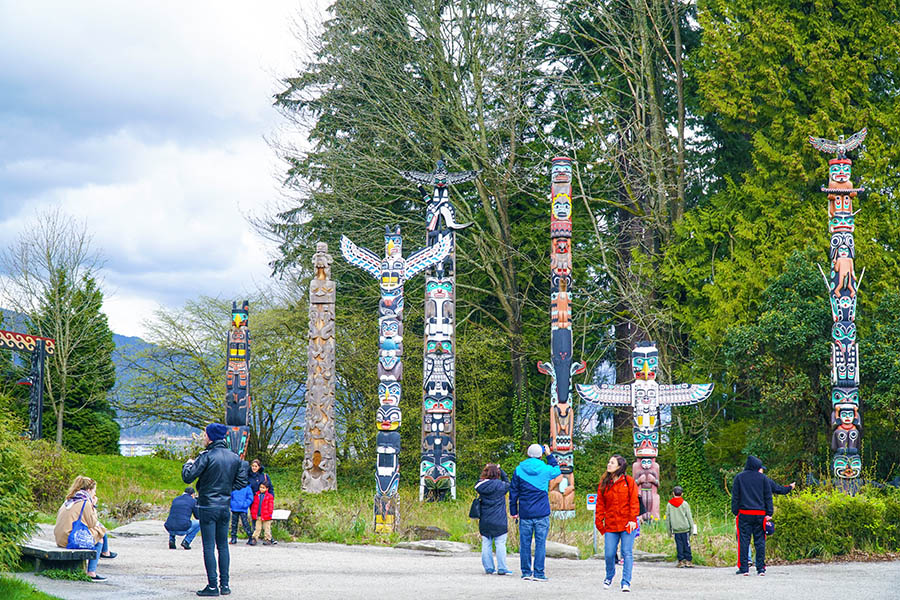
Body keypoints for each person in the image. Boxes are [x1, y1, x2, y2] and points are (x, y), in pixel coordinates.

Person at [183, 423, 248, 597]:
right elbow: (242, 482)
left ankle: (212, 586)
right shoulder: (234, 457)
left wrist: (187, 464)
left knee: (209, 547)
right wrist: (226, 488)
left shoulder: (206, 456)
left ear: (210, 437)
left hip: (207, 505)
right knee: (223, 546)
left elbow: (188, 477)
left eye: (205, 435)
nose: (204, 437)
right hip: (224, 505)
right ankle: (225, 585)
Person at [509, 443, 560, 582]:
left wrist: (514, 511)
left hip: (525, 512)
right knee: (540, 544)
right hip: (542, 512)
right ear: (540, 455)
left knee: (524, 543)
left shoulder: (519, 470)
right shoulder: (545, 469)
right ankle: (539, 573)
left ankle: (526, 572)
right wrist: (549, 455)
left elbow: (513, 492)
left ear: (528, 454)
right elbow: (557, 470)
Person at [54, 476, 114, 582]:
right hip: (70, 540)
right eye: (94, 491)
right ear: (88, 490)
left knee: (100, 529)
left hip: (60, 538)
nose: (94, 494)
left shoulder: (69, 499)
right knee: (100, 534)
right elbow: (92, 523)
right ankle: (92, 572)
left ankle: (105, 552)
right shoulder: (85, 502)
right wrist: (93, 506)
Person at [595, 455, 640, 592]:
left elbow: (634, 501)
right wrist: (599, 522)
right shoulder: (604, 483)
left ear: (619, 466)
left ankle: (626, 582)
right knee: (609, 553)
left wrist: (633, 519)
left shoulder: (629, 481)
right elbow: (600, 504)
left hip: (627, 523)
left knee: (627, 553)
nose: (609, 464)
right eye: (609, 462)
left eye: (612, 463)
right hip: (611, 524)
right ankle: (609, 576)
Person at [731, 455, 774, 576]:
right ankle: (761, 568)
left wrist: (735, 511)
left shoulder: (739, 478)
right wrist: (769, 513)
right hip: (760, 514)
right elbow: (768, 496)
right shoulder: (763, 478)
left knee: (744, 541)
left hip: (744, 514)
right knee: (760, 541)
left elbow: (736, 497)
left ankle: (744, 568)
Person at [474, 463, 512, 575]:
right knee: (500, 543)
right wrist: (501, 469)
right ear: (498, 474)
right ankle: (502, 568)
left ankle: (489, 568)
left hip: (485, 519)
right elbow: (508, 482)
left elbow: (478, 483)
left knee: (486, 543)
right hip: (499, 519)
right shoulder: (501, 486)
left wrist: (486, 469)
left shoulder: (480, 486)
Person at [665, 486, 695, 568]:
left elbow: (668, 519)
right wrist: (692, 528)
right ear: (682, 494)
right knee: (687, 544)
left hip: (676, 529)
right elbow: (689, 517)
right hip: (685, 528)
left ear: (673, 493)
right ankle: (688, 561)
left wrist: (669, 531)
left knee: (679, 545)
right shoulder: (685, 504)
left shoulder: (669, 505)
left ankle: (681, 561)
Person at [229, 468, 254, 545]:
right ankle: (233, 538)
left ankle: (250, 537)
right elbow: (230, 496)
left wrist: (245, 504)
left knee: (245, 523)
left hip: (243, 509)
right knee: (234, 524)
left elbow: (250, 498)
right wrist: (232, 504)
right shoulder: (233, 487)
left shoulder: (247, 488)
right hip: (235, 508)